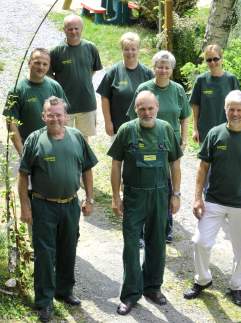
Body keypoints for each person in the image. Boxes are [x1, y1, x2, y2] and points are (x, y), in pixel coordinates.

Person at [183, 90, 241, 306]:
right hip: (213, 199)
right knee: (200, 242)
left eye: (239, 109)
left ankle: (237, 286)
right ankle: (202, 280)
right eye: (231, 108)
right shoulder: (215, 134)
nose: (235, 113)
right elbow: (203, 168)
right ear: (225, 109)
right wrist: (197, 198)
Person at [18, 97, 98, 322]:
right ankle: (44, 301)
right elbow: (23, 175)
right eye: (50, 114)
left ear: (66, 116)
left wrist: (89, 198)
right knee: (44, 254)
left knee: (68, 248)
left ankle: (64, 291)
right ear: (44, 116)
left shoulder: (77, 137)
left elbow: (88, 170)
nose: (54, 118)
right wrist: (25, 206)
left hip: (70, 204)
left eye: (58, 114)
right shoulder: (34, 140)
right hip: (43, 205)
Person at [108, 91, 182, 315]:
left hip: (160, 194)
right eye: (142, 109)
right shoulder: (127, 130)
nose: (146, 112)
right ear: (136, 110)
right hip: (134, 195)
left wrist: (176, 194)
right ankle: (131, 294)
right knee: (131, 244)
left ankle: (152, 287)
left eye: (150, 108)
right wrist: (115, 196)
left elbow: (175, 165)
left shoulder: (166, 129)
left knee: (157, 241)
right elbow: (116, 164)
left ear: (157, 107)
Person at [128, 50, 191, 242]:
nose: (163, 70)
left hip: (171, 143)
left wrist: (184, 137)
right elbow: (133, 116)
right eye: (159, 66)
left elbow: (185, 115)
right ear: (153, 68)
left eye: (166, 67)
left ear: (171, 70)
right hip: (147, 142)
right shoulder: (144, 88)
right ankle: (140, 230)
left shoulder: (178, 89)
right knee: (146, 182)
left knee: (169, 182)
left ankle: (165, 227)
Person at [3, 48, 68, 156]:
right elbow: (11, 123)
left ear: (49, 66)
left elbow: (64, 116)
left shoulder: (55, 86)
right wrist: (22, 151)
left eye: (45, 64)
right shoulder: (16, 90)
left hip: (54, 146)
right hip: (30, 149)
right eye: (37, 63)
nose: (41, 67)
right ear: (29, 63)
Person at [49, 14, 102, 141]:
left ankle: (82, 162)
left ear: (82, 29)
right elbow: (49, 75)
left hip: (86, 103)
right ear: (64, 30)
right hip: (64, 106)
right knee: (63, 139)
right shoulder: (56, 51)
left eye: (76, 28)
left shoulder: (91, 48)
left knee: (83, 140)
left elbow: (94, 69)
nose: (73, 31)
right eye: (70, 28)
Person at [97, 32, 153, 142]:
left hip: (142, 126)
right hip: (118, 126)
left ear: (138, 50)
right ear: (122, 50)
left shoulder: (147, 73)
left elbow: (154, 100)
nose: (130, 52)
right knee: (118, 158)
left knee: (140, 157)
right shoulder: (113, 72)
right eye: (126, 49)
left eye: (133, 49)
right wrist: (108, 122)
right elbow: (105, 98)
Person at [190, 44, 240, 145]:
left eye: (215, 59)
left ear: (221, 59)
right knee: (206, 160)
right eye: (209, 60)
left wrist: (238, 127)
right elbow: (195, 105)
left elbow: (240, 106)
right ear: (205, 61)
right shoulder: (201, 80)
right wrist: (195, 129)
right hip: (205, 131)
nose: (212, 62)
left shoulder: (231, 79)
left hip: (227, 130)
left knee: (225, 159)